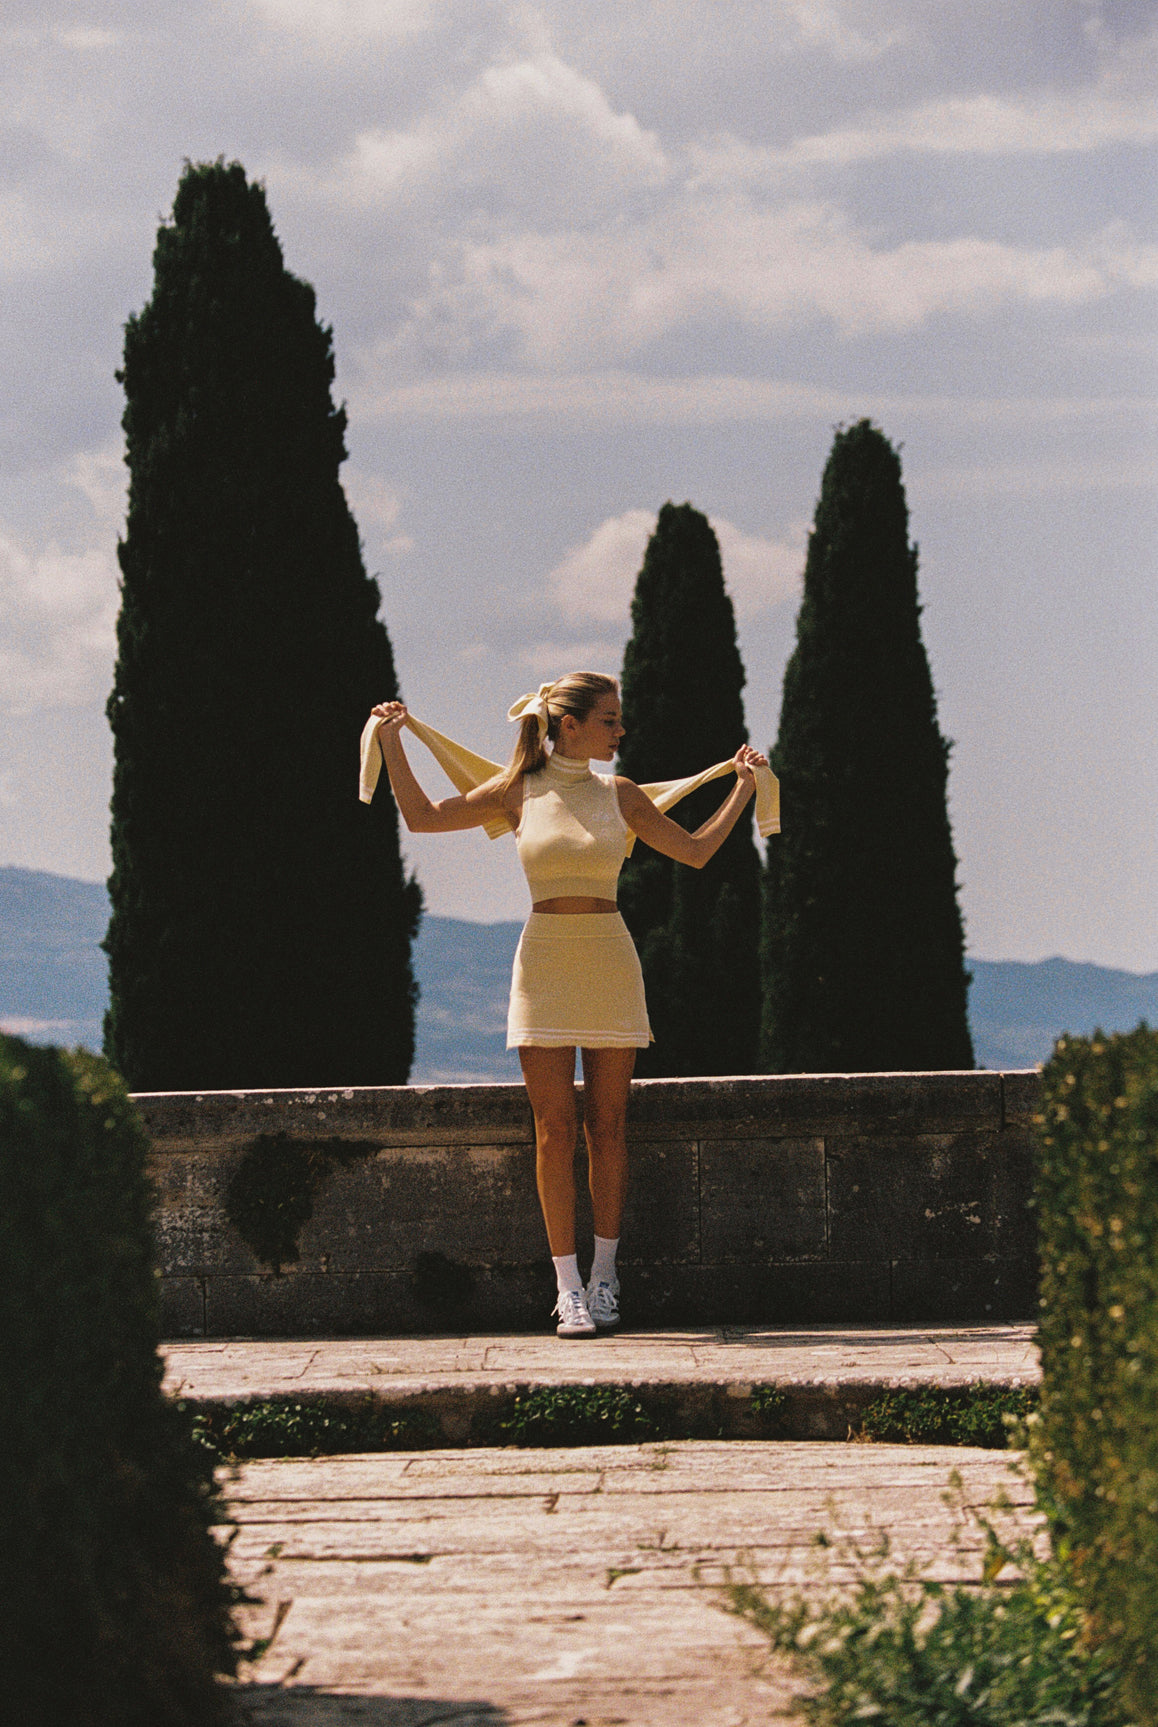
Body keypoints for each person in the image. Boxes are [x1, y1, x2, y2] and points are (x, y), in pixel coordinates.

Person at [369, 673, 770, 1338]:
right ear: (572, 724)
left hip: (609, 963)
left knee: (608, 1126)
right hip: (544, 966)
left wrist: (744, 789)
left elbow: (695, 852)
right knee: (554, 1131)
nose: (620, 730)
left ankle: (606, 1278)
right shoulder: (519, 789)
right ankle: (568, 1289)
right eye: (609, 719)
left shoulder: (621, 793)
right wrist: (391, 744)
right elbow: (423, 817)